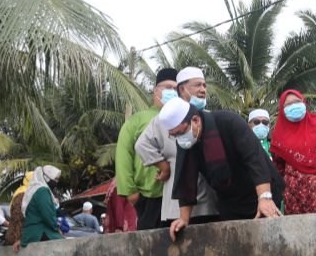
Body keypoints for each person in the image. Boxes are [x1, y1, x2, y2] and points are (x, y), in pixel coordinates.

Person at [160, 96, 283, 241]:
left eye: (181, 133)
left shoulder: (229, 121)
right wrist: (184, 219)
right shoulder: (186, 142)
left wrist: (265, 198)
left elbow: (254, 159)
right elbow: (186, 178)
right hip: (230, 201)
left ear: (195, 120)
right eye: (174, 135)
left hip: (261, 190)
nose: (180, 138)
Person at [135, 67, 219, 226]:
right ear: (182, 89)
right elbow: (142, 144)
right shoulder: (165, 118)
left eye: (204, 86)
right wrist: (164, 166)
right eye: (197, 85)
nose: (202, 90)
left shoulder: (209, 117)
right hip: (177, 204)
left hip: (209, 202)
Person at [115, 67, 179, 230]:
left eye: (176, 88)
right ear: (156, 91)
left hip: (177, 194)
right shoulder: (137, 120)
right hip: (148, 195)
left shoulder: (184, 118)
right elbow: (123, 155)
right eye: (168, 87)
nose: (172, 91)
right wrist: (130, 191)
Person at [270, 90, 316, 214]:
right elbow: (279, 167)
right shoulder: (278, 138)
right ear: (282, 110)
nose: (294, 106)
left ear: (304, 102)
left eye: (297, 102)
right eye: (288, 105)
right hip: (298, 202)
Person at [17, 166, 63, 250]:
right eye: (55, 179)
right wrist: (56, 228)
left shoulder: (35, 190)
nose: (56, 182)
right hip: (40, 232)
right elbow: (47, 215)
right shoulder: (42, 191)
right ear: (46, 177)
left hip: (31, 233)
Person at [5, 171, 34, 249]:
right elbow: (18, 217)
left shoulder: (22, 190)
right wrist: (19, 237)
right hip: (19, 235)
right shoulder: (24, 192)